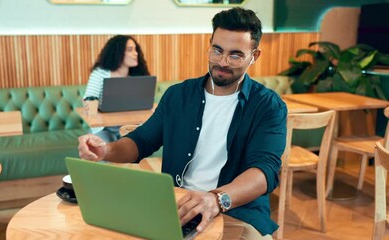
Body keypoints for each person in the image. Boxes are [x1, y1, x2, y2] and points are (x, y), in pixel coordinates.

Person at [78, 7, 286, 239]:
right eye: (217, 50)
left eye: (235, 55)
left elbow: (263, 171)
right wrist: (106, 149)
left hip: (236, 210)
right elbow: (142, 141)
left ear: (254, 56)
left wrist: (216, 199)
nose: (223, 62)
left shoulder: (268, 106)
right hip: (176, 206)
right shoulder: (178, 95)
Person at [84, 35, 150, 142]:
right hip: (105, 129)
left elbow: (145, 105)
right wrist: (90, 104)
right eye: (130, 50)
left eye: (135, 49)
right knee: (102, 148)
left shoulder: (139, 75)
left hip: (132, 128)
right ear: (117, 53)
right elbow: (89, 100)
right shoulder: (100, 73)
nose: (136, 53)